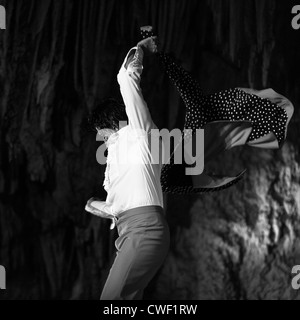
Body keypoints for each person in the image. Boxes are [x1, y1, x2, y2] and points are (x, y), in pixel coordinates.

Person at [140, 27, 294, 194]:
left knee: (199, 99)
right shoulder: (179, 162)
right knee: (198, 99)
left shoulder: (178, 159)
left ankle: (157, 50)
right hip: (200, 137)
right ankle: (156, 50)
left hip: (203, 133)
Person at [85, 36, 170, 300]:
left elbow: (127, 79)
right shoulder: (120, 160)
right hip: (132, 233)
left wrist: (141, 49)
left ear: (109, 126)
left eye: (101, 133)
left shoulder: (139, 134)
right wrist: (92, 205)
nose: (102, 141)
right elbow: (115, 208)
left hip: (144, 232)